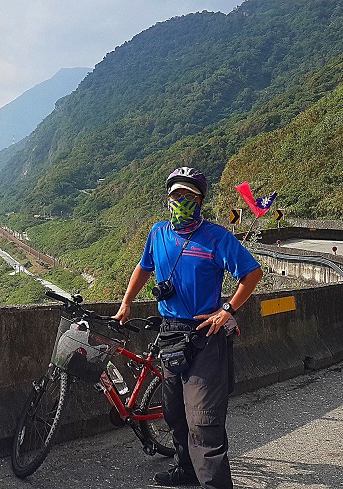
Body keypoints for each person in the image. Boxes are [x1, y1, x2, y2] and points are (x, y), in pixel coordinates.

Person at [113, 167, 262, 488]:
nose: (181, 201)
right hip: (169, 334)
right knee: (174, 413)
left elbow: (252, 273)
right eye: (176, 195)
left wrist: (227, 309)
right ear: (168, 200)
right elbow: (143, 267)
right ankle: (186, 469)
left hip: (205, 336)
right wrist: (126, 303)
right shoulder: (157, 233)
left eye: (189, 197)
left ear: (201, 201)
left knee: (204, 421)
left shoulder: (216, 237)